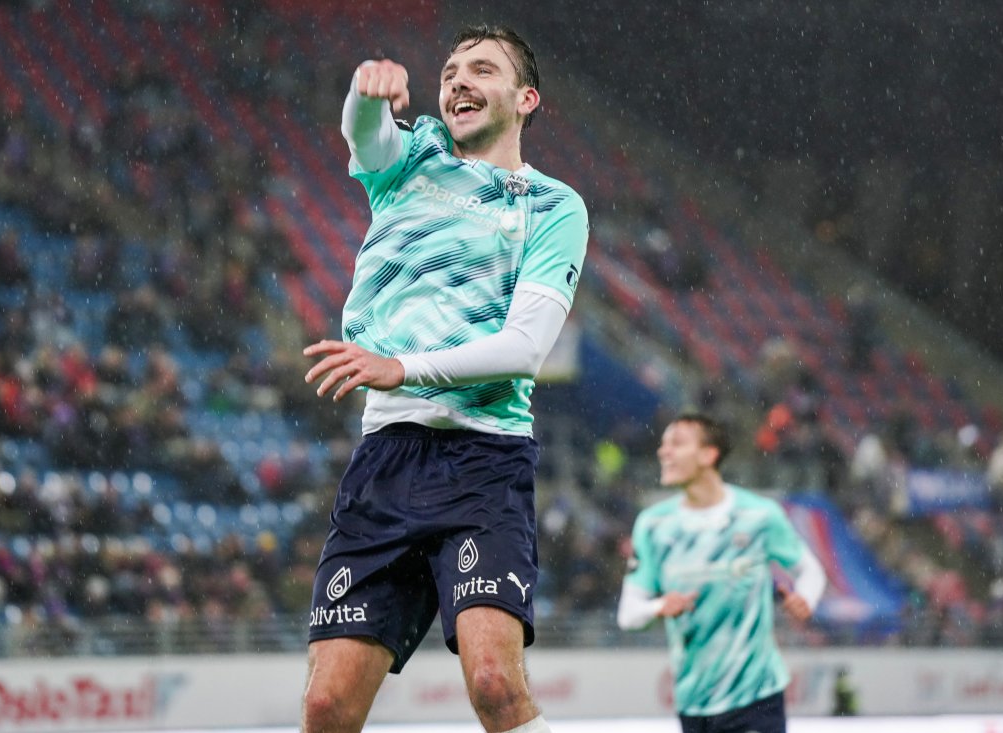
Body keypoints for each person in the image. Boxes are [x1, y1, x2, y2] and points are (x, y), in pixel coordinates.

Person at [300, 24, 588, 733]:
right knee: (326, 706)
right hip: (386, 457)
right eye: (451, 69)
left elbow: (524, 348)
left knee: (495, 685)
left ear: (526, 99)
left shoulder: (553, 207)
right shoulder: (415, 156)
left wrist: (403, 368)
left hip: (483, 458)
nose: (457, 79)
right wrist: (368, 87)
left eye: (481, 69)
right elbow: (365, 135)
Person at [617, 412, 826, 733]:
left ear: (708, 454)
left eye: (677, 443)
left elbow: (810, 570)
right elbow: (628, 615)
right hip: (694, 701)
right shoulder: (653, 525)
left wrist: (807, 599)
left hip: (757, 696)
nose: (663, 452)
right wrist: (660, 607)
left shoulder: (758, 515)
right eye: (663, 445)